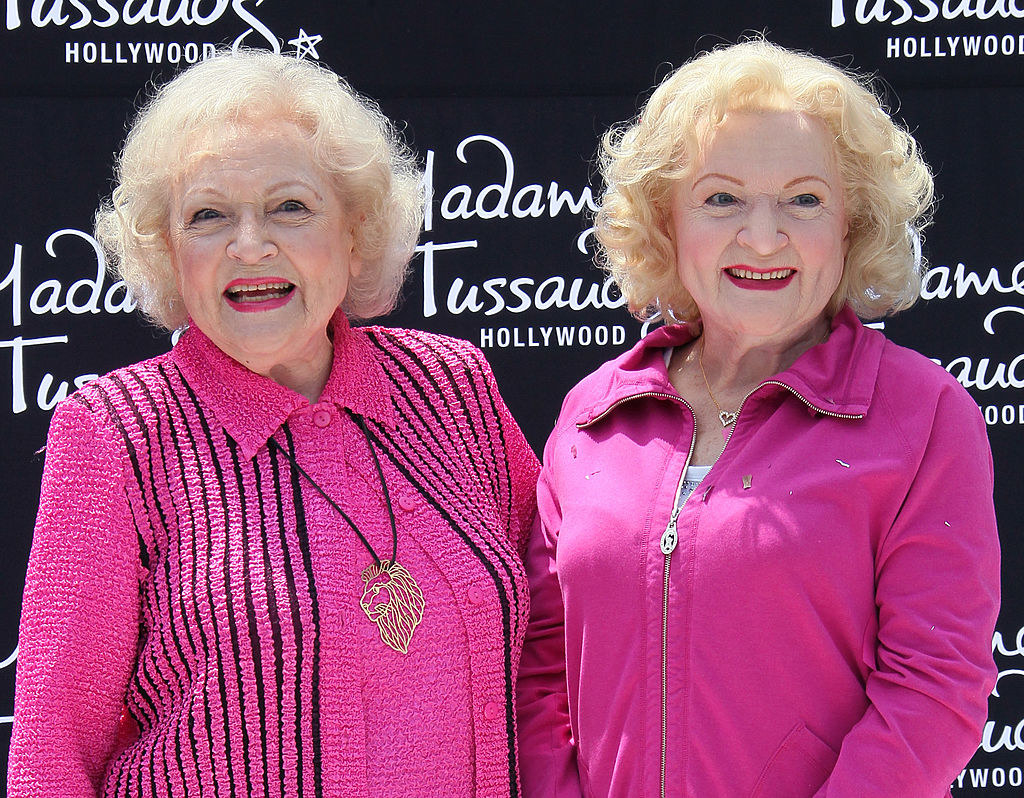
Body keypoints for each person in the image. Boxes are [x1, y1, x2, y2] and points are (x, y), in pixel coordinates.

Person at [9, 50, 538, 798]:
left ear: (356, 231)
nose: (250, 245)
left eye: (291, 207)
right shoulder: (115, 435)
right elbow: (53, 752)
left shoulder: (451, 386)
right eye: (208, 215)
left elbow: (555, 624)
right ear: (169, 252)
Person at [517, 39, 999, 798]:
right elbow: (539, 667)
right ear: (667, 225)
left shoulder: (924, 416)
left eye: (804, 200)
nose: (764, 236)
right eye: (721, 199)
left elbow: (936, 687)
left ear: (853, 225)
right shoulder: (592, 415)